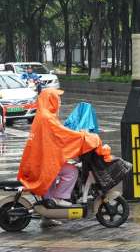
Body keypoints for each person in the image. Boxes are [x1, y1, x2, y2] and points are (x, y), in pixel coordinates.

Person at [17, 89, 112, 228]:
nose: (59, 102)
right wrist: (82, 136)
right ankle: (59, 198)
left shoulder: (43, 115)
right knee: (71, 171)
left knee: (49, 184)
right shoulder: (47, 117)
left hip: (40, 160)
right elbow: (62, 134)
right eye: (57, 98)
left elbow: (58, 134)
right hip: (44, 162)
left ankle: (48, 215)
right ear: (50, 100)